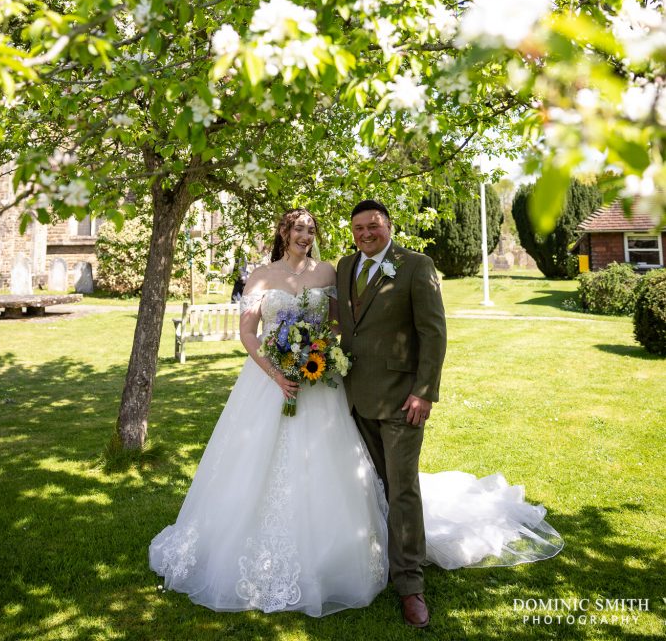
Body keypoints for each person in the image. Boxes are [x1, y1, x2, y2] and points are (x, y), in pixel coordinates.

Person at [150, 205, 563, 621]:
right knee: (268, 470)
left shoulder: (336, 271)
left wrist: (319, 356)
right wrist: (279, 371)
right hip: (276, 385)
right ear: (283, 231)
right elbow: (248, 332)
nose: (304, 234)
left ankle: (404, 578)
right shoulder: (270, 274)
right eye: (297, 227)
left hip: (328, 388)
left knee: (378, 481)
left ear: (386, 227)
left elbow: (346, 326)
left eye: (311, 228)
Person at [336, 199, 446, 628]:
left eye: (373, 226)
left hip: (403, 400)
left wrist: (424, 392)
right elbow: (346, 325)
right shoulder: (345, 267)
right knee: (372, 487)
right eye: (358, 227)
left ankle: (410, 584)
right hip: (354, 399)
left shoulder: (417, 265)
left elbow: (433, 333)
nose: (366, 233)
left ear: (388, 226)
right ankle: (378, 558)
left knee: (402, 489)